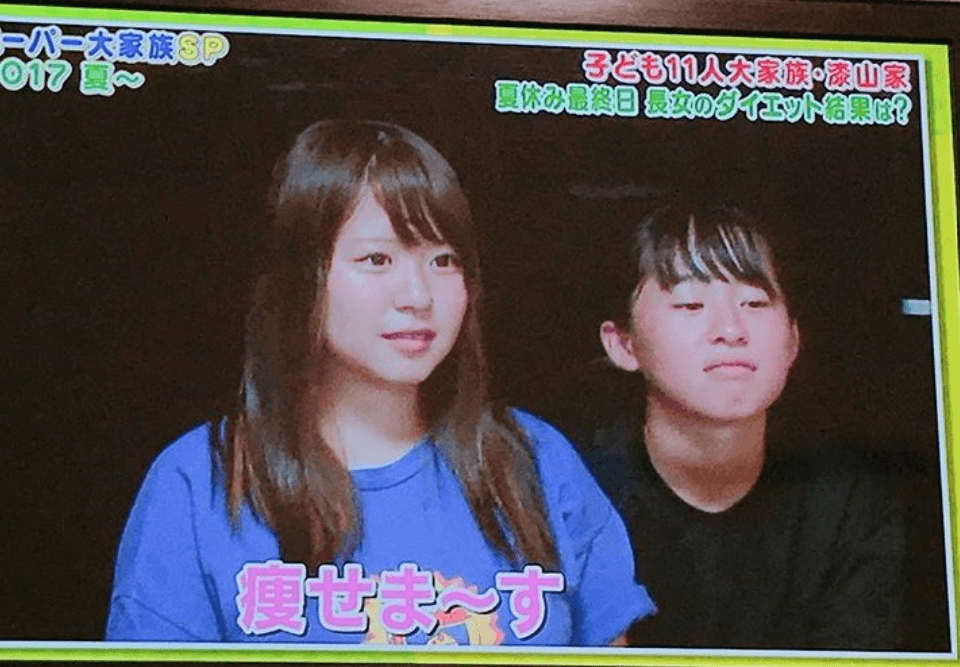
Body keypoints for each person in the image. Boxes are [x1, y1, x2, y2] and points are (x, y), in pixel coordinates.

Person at [105, 119, 654, 646]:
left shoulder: (535, 462)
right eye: (377, 258)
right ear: (303, 278)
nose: (418, 295)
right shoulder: (201, 481)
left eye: (444, 260)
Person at [588, 202, 904, 650]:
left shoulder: (848, 504)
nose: (731, 330)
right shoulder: (574, 493)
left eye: (754, 302)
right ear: (623, 344)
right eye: (691, 303)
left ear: (793, 340)